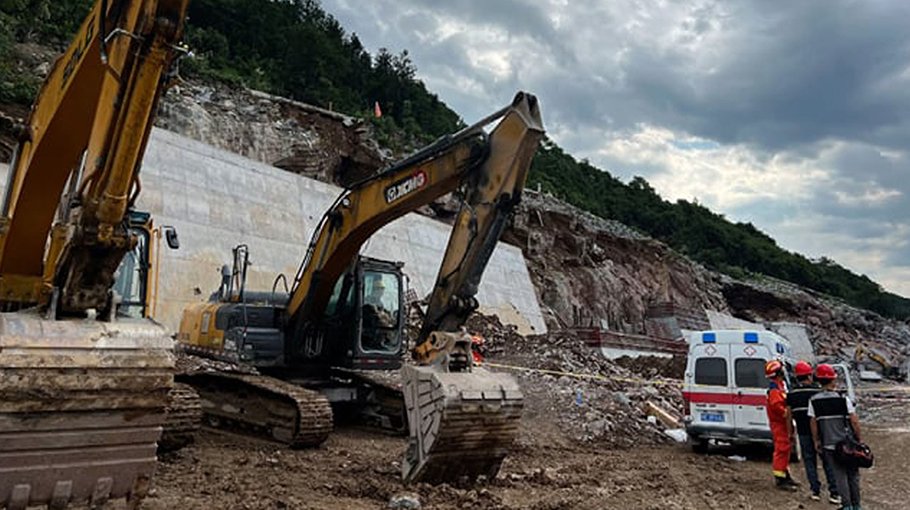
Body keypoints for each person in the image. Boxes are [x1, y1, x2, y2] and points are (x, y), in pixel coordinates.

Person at [809, 363, 863, 510]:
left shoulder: (814, 401)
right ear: (833, 380)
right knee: (852, 474)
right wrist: (859, 439)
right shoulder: (843, 399)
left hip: (829, 445)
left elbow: (813, 423)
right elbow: (854, 421)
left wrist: (816, 441)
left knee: (839, 476)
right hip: (848, 443)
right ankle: (856, 506)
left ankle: (846, 506)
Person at [786, 360, 840, 504]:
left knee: (809, 462)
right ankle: (834, 493)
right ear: (810, 376)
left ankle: (815, 491)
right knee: (828, 462)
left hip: (803, 433)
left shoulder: (791, 395)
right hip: (821, 433)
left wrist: (790, 433)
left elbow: (788, 416)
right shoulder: (817, 392)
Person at [765, 359, 799, 491]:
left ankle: (785, 474)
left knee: (786, 449)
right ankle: (780, 479)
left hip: (783, 423)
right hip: (779, 423)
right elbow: (776, 405)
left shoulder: (779, 385)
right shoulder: (774, 389)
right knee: (782, 449)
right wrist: (787, 413)